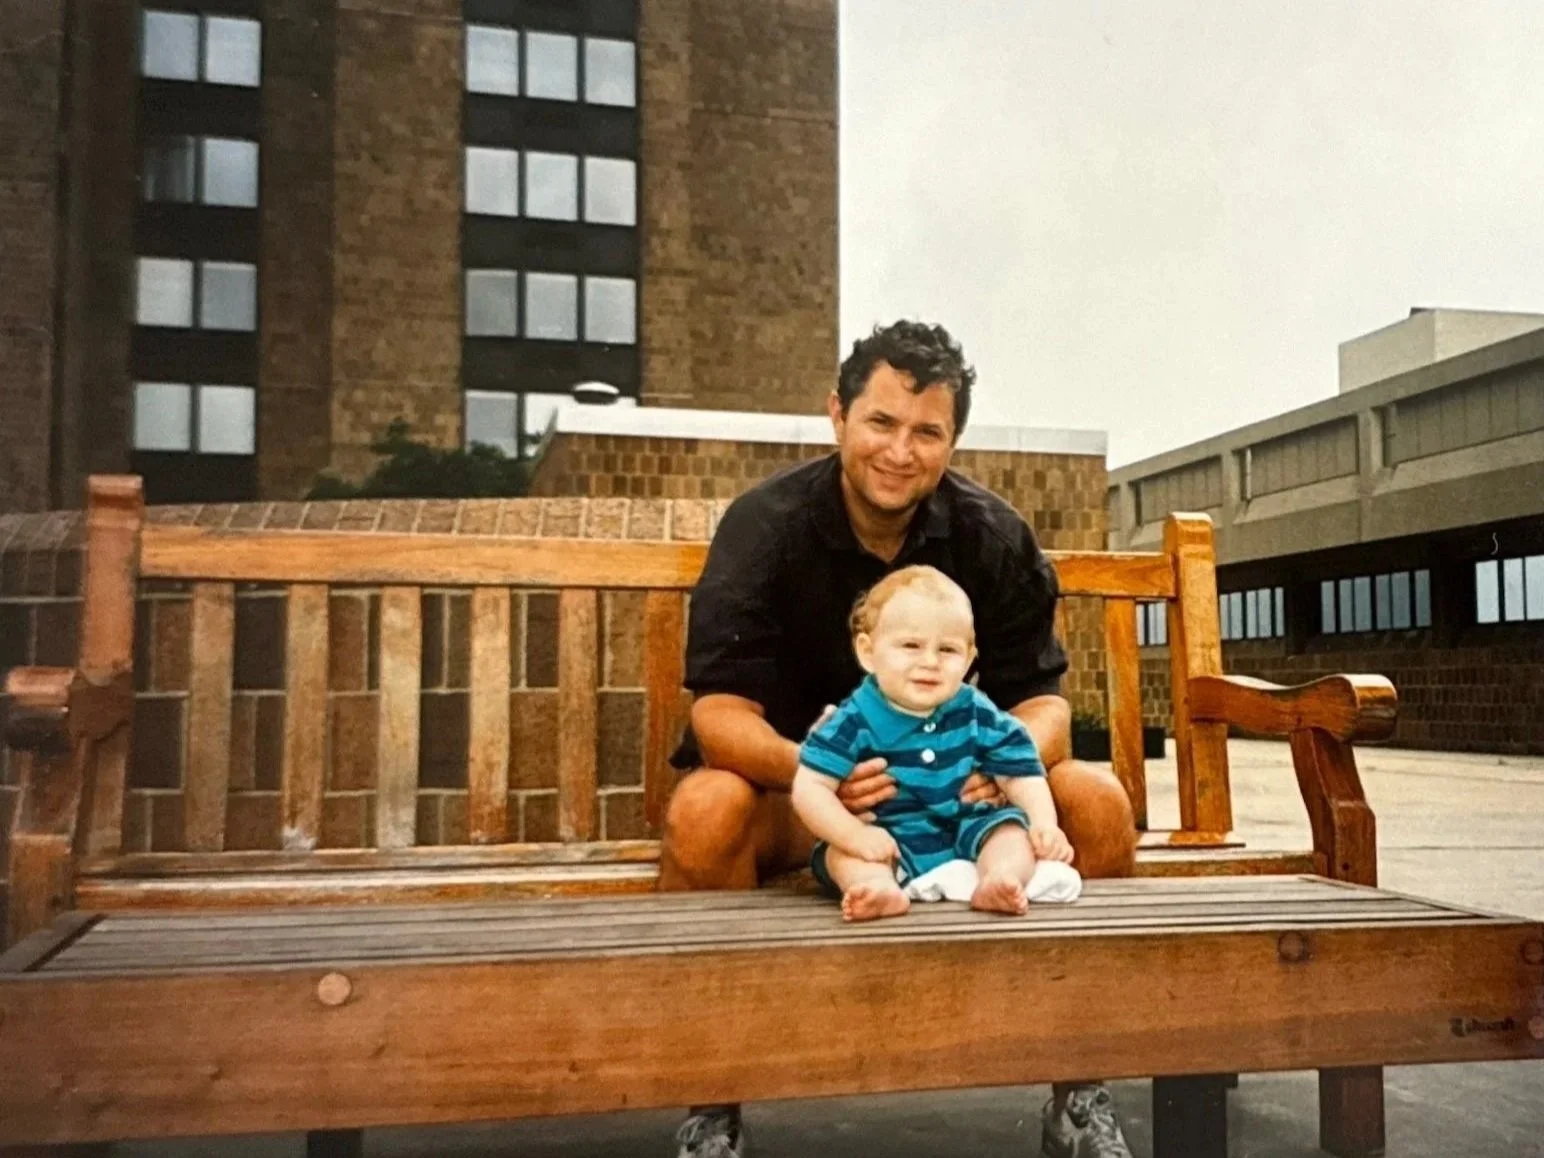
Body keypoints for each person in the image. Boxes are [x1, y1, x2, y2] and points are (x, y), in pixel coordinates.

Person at [662, 320, 1139, 1158]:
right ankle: (712, 1101)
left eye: (927, 432)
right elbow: (718, 714)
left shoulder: (991, 535)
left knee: (1095, 801)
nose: (900, 451)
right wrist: (819, 779)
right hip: (795, 800)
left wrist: (1000, 765)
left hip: (955, 807)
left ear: (953, 439)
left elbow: (1046, 706)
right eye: (881, 423)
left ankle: (1080, 1086)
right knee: (704, 806)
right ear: (838, 416)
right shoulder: (765, 526)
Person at [792, 564, 1082, 921]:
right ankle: (877, 888)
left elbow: (1020, 772)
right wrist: (852, 834)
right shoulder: (851, 720)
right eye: (911, 646)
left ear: (969, 660)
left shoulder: (976, 711)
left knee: (1010, 831)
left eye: (947, 650)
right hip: (886, 836)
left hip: (969, 829)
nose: (929, 662)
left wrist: (1043, 824)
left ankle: (999, 879)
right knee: (840, 854)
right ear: (868, 652)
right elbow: (810, 789)